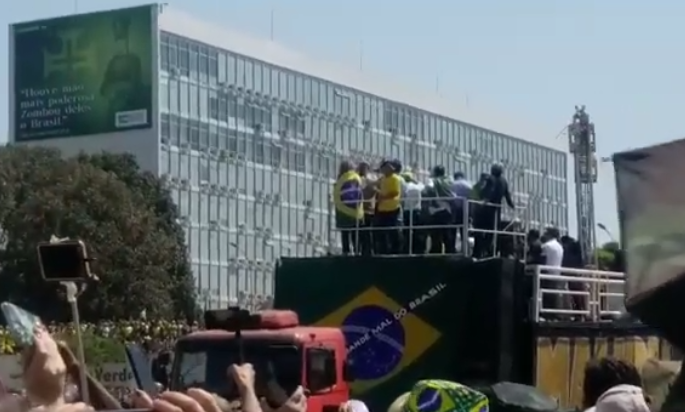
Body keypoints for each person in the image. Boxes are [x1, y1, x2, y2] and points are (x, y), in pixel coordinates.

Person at [473, 164, 515, 258]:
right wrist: (511, 205)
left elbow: (489, 191)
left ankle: (478, 251)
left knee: (479, 230)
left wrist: (485, 200)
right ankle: (488, 250)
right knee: (491, 231)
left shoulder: (490, 179)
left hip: (486, 209)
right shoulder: (504, 181)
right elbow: (507, 195)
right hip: (496, 209)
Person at [334, 160, 364, 255]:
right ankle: (357, 251)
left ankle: (346, 251)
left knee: (345, 233)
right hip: (354, 210)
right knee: (355, 233)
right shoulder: (354, 178)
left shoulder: (340, 179)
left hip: (341, 211)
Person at [427, 166, 456, 254]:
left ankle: (436, 252)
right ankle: (450, 251)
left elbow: (429, 188)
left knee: (436, 233)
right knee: (447, 232)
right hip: (449, 208)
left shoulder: (434, 181)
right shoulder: (449, 181)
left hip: (437, 208)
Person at [375, 160, 402, 255]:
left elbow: (395, 193)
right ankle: (383, 250)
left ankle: (396, 250)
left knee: (393, 230)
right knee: (381, 231)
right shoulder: (382, 179)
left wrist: (383, 197)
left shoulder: (395, 178)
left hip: (392, 208)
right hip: (382, 209)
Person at [541, 227, 565, 319]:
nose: (545, 235)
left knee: (545, 296)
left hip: (546, 274)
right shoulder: (560, 247)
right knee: (553, 295)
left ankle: (545, 316)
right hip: (557, 274)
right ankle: (553, 316)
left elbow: (542, 260)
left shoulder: (546, 246)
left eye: (546, 233)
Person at [400, 171, 425, 254]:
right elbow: (422, 185)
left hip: (407, 210)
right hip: (417, 210)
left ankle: (406, 249)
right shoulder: (418, 186)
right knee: (417, 231)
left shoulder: (404, 186)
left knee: (407, 231)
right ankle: (418, 249)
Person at [357, 161, 376, 255]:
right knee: (362, 232)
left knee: (368, 232)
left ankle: (368, 250)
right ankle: (363, 250)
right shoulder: (360, 179)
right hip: (362, 210)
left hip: (368, 210)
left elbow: (371, 192)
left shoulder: (369, 180)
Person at [451, 172, 472, 246]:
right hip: (465, 209)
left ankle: (452, 249)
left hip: (454, 209)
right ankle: (465, 248)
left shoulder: (452, 184)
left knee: (452, 230)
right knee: (465, 229)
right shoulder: (468, 184)